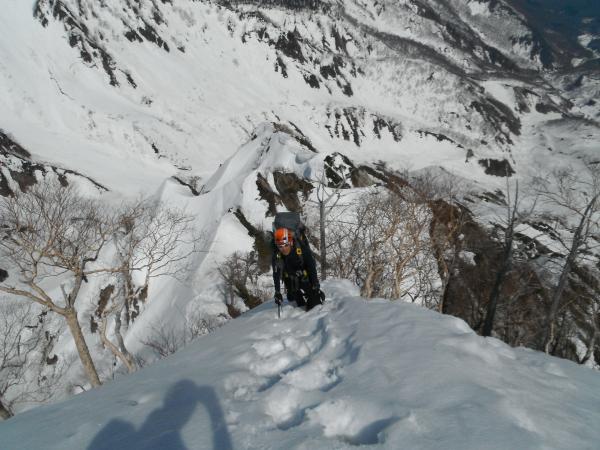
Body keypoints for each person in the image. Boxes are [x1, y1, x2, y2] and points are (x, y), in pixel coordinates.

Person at [272, 227, 324, 311]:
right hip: (290, 281)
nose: (284, 249)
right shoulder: (276, 256)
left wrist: (315, 284)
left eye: (286, 245)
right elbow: (276, 274)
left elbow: (311, 267)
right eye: (280, 246)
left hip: (305, 278)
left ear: (291, 242)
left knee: (315, 304)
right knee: (296, 301)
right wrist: (277, 292)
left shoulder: (302, 249)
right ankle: (293, 294)